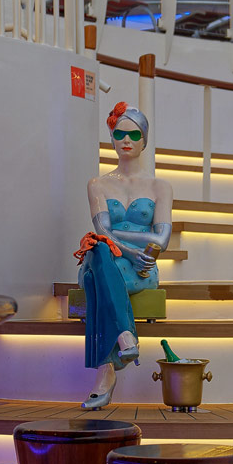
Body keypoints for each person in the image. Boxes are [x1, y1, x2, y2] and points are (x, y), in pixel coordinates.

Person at [76, 101, 173, 410]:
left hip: (141, 267)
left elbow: (162, 239)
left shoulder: (160, 186)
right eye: (119, 134)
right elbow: (101, 230)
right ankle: (124, 336)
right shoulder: (98, 184)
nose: (126, 140)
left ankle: (105, 373)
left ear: (144, 140)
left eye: (134, 134)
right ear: (112, 138)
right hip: (111, 258)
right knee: (99, 249)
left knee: (98, 263)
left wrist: (120, 239)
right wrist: (127, 246)